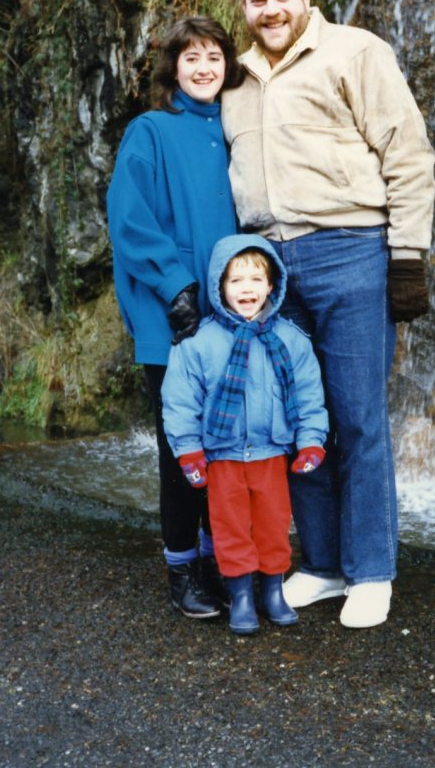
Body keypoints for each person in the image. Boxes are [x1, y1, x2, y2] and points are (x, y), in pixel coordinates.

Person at [221, 0, 435, 629]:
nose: (271, 9)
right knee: (299, 422)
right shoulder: (237, 77)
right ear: (245, 6)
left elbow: (407, 152)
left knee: (358, 417)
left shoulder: (354, 52)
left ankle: (372, 570)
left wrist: (407, 258)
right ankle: (321, 564)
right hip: (271, 268)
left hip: (350, 252)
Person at [106, 16, 244, 620]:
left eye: (214, 56)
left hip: (234, 315)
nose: (204, 67)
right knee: (180, 447)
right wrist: (176, 286)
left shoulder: (240, 135)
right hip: (174, 315)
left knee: (228, 444)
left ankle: (217, 559)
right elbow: (129, 220)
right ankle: (181, 568)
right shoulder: (151, 131)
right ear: (173, 70)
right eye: (192, 58)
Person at [161, 234, 329, 634]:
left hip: (272, 453)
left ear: (272, 285)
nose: (247, 289)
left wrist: (310, 440)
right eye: (236, 281)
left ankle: (272, 591)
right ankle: (239, 596)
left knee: (273, 526)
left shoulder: (290, 339)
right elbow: (180, 403)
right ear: (220, 287)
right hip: (223, 457)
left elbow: (308, 394)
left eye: (256, 279)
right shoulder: (198, 343)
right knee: (230, 528)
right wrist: (188, 452)